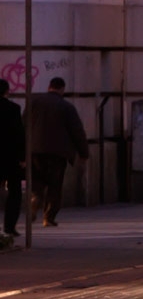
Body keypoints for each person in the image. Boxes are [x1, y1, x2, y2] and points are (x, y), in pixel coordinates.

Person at [30, 77, 89, 228]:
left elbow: (23, 125)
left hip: (35, 151)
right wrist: (83, 153)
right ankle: (48, 218)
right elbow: (77, 131)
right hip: (58, 153)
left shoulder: (34, 103)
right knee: (54, 186)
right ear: (62, 89)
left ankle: (35, 197)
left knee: (37, 181)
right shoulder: (66, 107)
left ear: (49, 87)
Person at [0, 79, 26, 236]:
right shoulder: (13, 108)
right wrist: (22, 158)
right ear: (6, 91)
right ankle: (9, 226)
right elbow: (19, 135)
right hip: (9, 157)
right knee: (15, 192)